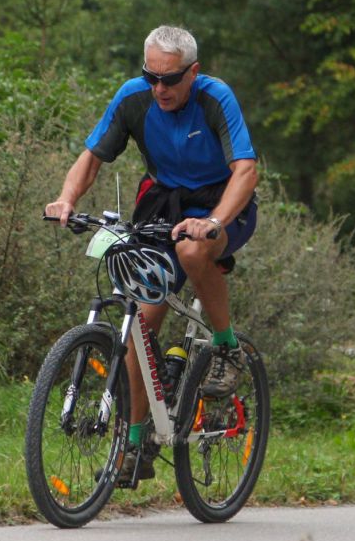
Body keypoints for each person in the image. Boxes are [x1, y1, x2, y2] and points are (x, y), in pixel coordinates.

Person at [45, 25, 258, 483]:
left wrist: (214, 220)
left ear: (193, 73)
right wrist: (67, 199)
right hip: (163, 204)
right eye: (151, 77)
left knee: (193, 248)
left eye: (170, 79)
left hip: (221, 204)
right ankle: (135, 442)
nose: (159, 88)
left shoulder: (215, 98)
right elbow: (92, 156)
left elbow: (245, 169)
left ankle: (226, 346)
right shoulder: (134, 97)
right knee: (139, 321)